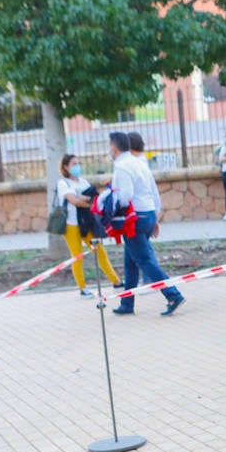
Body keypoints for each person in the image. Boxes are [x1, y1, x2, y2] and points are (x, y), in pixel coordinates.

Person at [108, 132, 185, 317]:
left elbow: (125, 196)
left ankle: (173, 295)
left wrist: (110, 205)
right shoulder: (139, 163)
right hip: (148, 214)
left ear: (114, 148)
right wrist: (155, 218)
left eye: (109, 146)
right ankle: (127, 302)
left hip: (135, 218)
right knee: (131, 262)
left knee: (144, 261)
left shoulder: (122, 167)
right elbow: (153, 190)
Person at [55, 155, 120, 294]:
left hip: (87, 223)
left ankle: (116, 281)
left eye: (78, 163)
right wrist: (83, 199)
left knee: (99, 250)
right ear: (65, 167)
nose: (77, 166)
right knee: (77, 255)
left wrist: (83, 198)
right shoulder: (63, 183)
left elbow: (94, 200)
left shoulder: (83, 182)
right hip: (70, 225)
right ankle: (82, 288)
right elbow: (73, 200)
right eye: (73, 164)